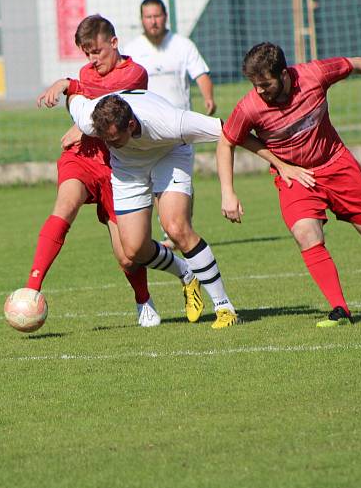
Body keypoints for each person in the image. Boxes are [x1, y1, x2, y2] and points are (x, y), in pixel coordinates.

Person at [66, 89, 312, 329]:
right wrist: (64, 87)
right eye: (105, 138)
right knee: (133, 250)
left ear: (131, 125)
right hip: (128, 170)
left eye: (114, 138)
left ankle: (224, 307)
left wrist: (280, 164)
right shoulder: (91, 119)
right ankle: (186, 273)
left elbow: (231, 131)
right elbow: (73, 95)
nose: (109, 143)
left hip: (170, 155)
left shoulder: (172, 123)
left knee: (176, 227)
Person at [219, 42, 361, 327]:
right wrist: (228, 193)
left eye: (265, 84)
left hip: (337, 164)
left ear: (285, 74)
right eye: (255, 85)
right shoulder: (250, 106)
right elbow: (228, 140)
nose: (260, 91)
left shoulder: (314, 74)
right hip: (295, 176)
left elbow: (356, 63)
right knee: (306, 233)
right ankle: (340, 309)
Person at [34, 15, 201, 328]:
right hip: (83, 158)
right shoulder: (86, 73)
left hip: (118, 166)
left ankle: (172, 279)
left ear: (114, 43)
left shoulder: (134, 73)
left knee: (129, 255)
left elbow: (109, 103)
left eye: (96, 51)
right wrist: (74, 91)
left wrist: (71, 89)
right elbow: (84, 98)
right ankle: (31, 290)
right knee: (65, 205)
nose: (92, 60)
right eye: (86, 54)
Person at [123, 0, 216, 249]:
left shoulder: (182, 45)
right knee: (154, 179)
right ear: (141, 20)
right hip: (146, 128)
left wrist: (208, 98)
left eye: (157, 16)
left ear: (165, 17)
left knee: (180, 178)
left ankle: (181, 225)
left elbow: (201, 73)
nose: (153, 21)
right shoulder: (132, 50)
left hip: (179, 127)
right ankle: (170, 231)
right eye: (148, 17)